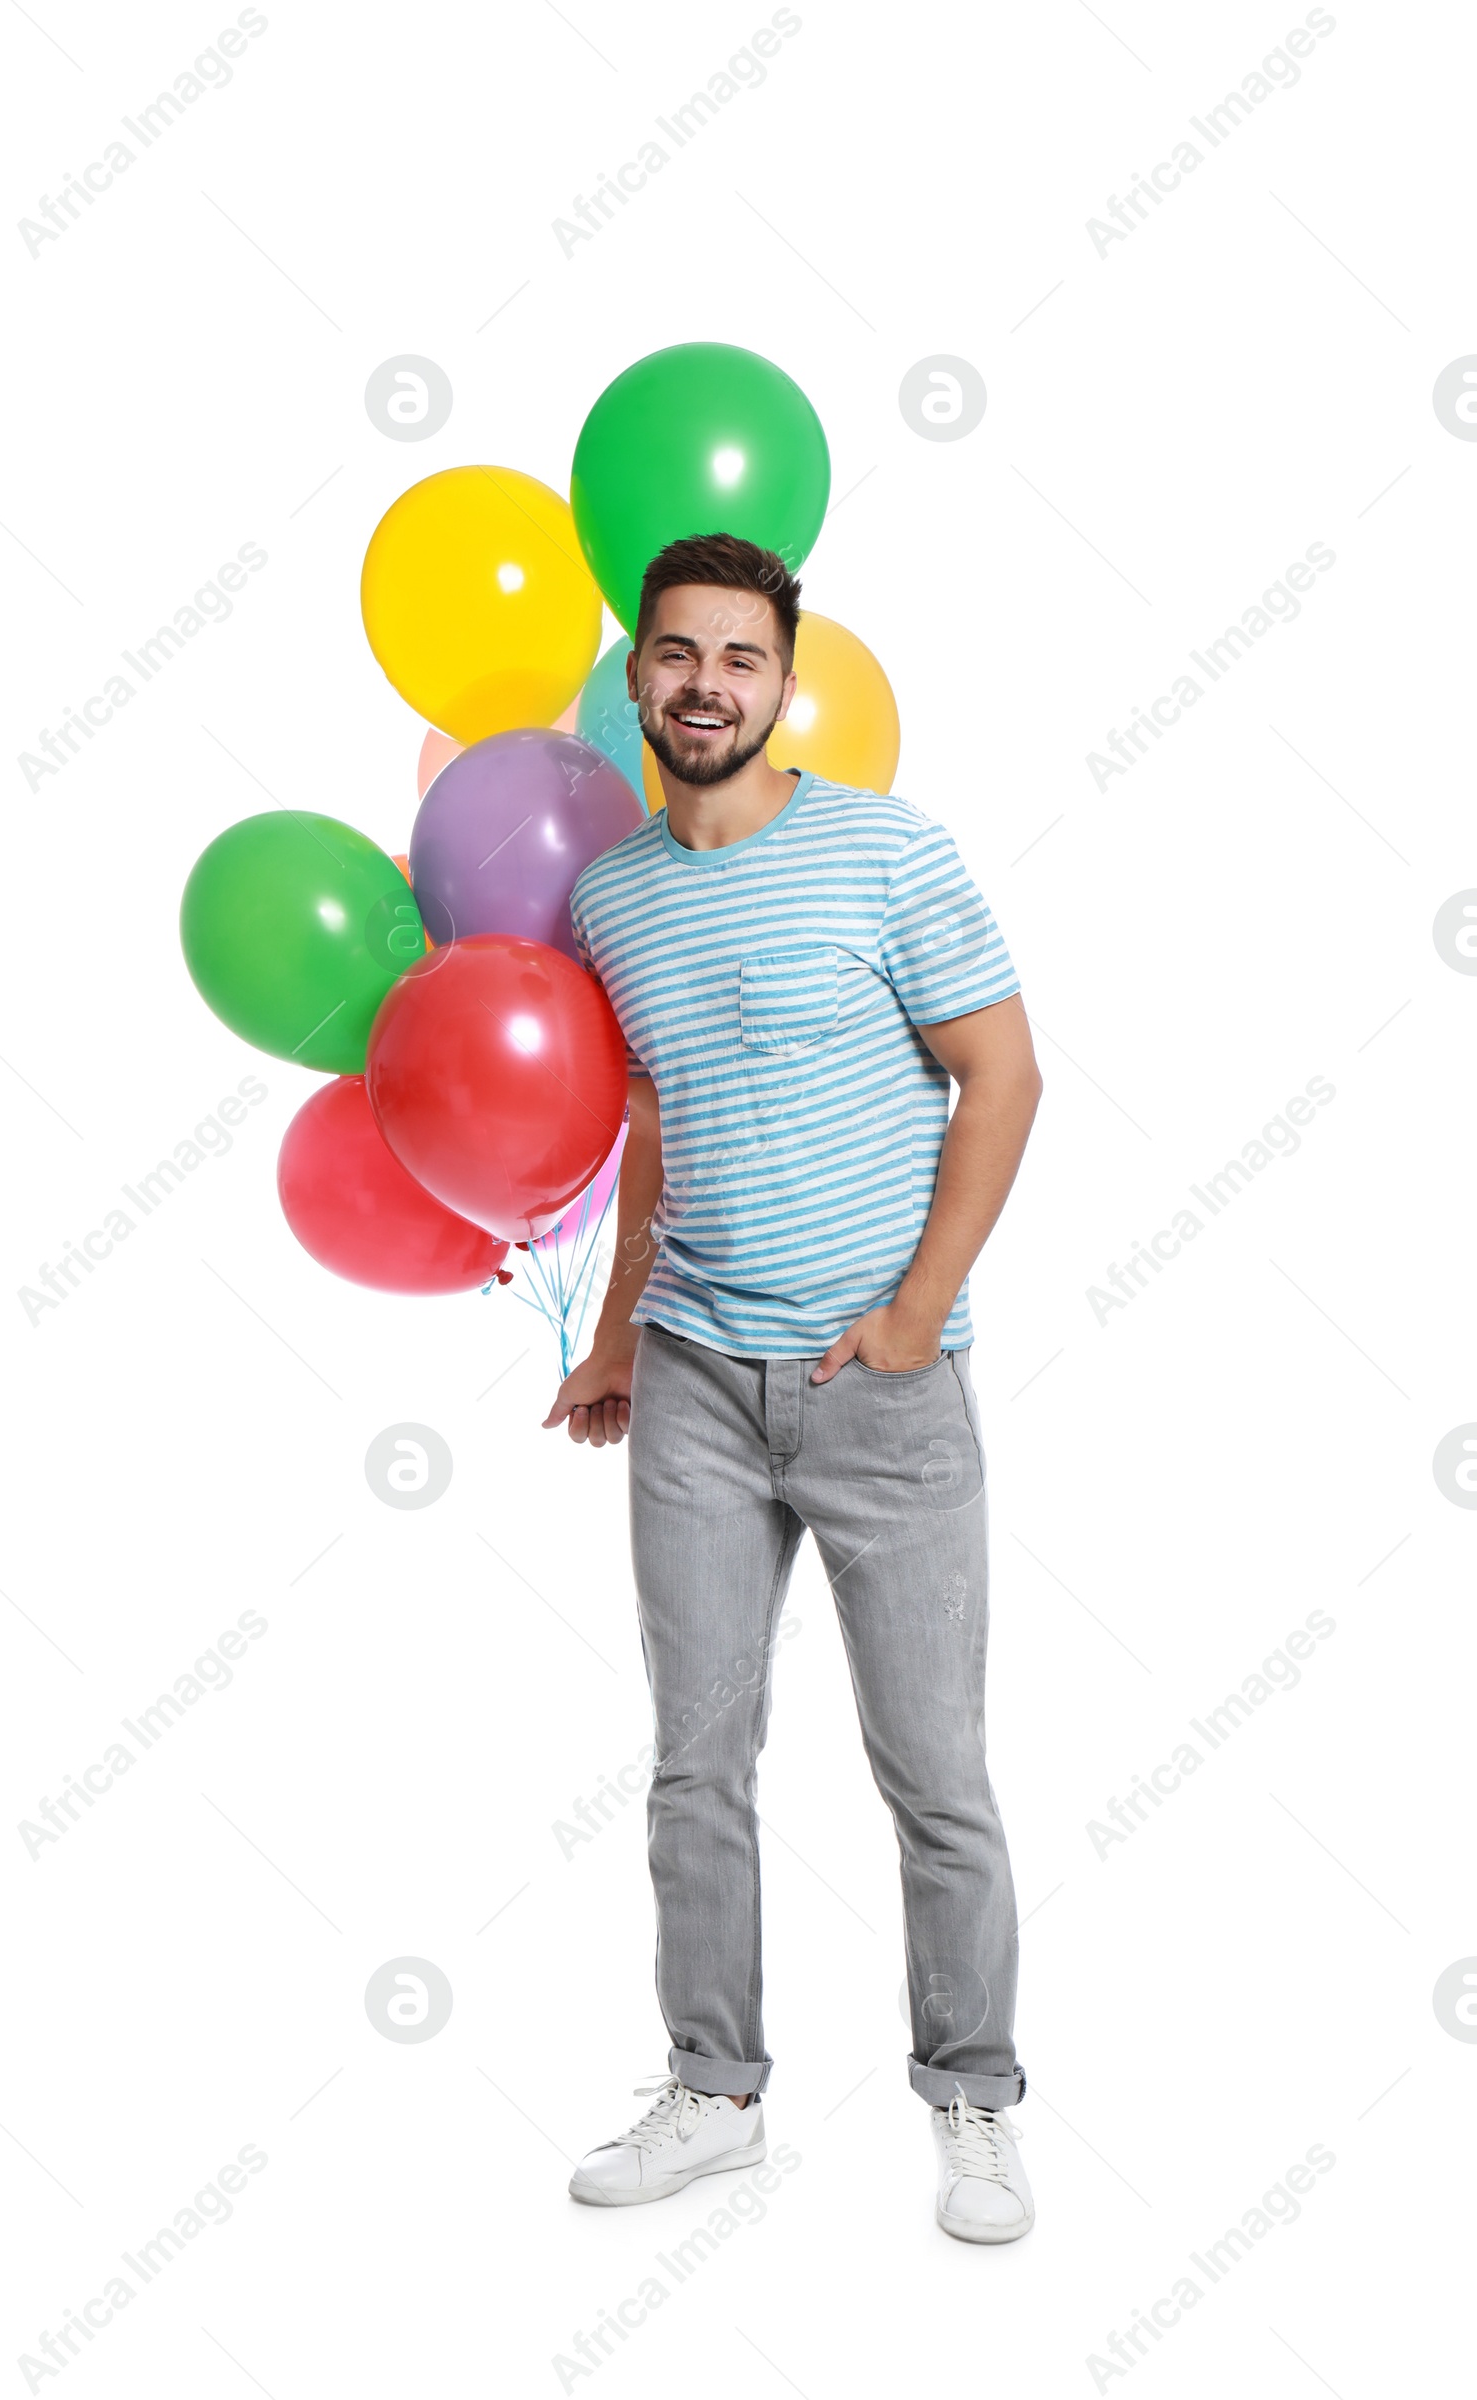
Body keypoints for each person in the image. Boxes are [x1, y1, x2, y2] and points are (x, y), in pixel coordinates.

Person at [543, 532, 1042, 2243]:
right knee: (697, 1760)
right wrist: (616, 1332)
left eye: (738, 658)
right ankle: (715, 2091)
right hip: (691, 1377)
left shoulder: (891, 853)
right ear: (638, 683)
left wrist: (916, 1313)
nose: (704, 685)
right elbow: (655, 1123)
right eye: (676, 655)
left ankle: (973, 2103)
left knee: (933, 1769)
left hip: (879, 1383)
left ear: (782, 678)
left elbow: (1003, 1075)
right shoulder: (612, 897)